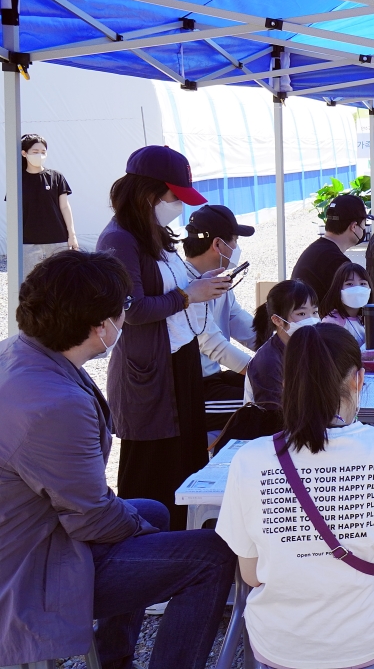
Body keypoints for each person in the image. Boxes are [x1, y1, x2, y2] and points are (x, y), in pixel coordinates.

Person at [0, 250, 235, 669]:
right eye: (123, 307)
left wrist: (137, 524)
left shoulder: (18, 354)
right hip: (30, 566)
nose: (125, 317)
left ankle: (115, 657)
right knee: (211, 554)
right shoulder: (56, 405)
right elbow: (91, 519)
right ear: (99, 327)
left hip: (25, 529)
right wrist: (138, 531)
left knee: (152, 510)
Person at [216, 323, 374, 669]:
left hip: (281, 645)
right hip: (368, 637)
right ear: (358, 380)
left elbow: (252, 575)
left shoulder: (249, 460)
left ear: (287, 385)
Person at [97, 145, 229, 530]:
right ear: (147, 192)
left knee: (185, 459)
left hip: (180, 361)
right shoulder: (119, 239)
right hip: (150, 372)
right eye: (175, 197)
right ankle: (147, 555)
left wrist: (197, 284)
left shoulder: (152, 231)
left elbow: (170, 286)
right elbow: (131, 310)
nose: (178, 206)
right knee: (152, 467)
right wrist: (189, 295)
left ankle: (184, 546)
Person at [182, 204, 258, 427]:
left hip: (214, 378)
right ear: (218, 244)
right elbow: (211, 344)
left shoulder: (217, 279)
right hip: (194, 390)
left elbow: (240, 322)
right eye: (234, 240)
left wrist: (281, 350)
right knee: (273, 401)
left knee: (286, 386)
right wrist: (261, 372)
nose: (237, 247)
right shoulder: (186, 285)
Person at [248, 280, 318, 404]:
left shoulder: (311, 345)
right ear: (277, 320)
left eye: (315, 312)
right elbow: (272, 416)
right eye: (301, 313)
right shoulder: (268, 362)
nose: (312, 320)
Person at [292, 193, 368, 304]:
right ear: (354, 226)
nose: (365, 228)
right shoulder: (336, 261)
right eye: (364, 224)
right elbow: (351, 305)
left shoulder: (316, 250)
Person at [18, 134, 78, 273]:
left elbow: (64, 207)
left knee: (60, 282)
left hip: (58, 240)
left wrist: (72, 235)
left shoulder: (56, 177)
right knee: (30, 284)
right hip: (28, 242)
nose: (40, 155)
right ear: (24, 153)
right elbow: (13, 211)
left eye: (43, 152)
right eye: (35, 152)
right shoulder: (17, 179)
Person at [321, 262, 372, 345]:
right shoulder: (332, 322)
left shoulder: (365, 318)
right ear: (338, 289)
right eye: (349, 284)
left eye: (363, 283)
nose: (357, 288)